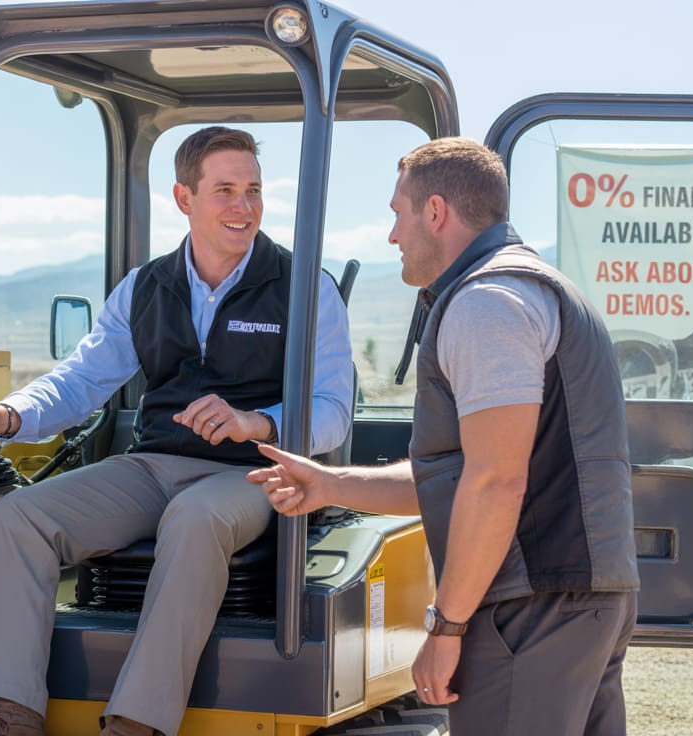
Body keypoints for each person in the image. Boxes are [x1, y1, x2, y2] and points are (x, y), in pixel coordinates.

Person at [0, 126, 354, 736]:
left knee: (195, 517)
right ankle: (14, 717)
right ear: (184, 198)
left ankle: (134, 726)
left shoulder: (305, 288)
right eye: (226, 191)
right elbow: (81, 380)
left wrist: (257, 423)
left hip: (257, 473)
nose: (244, 207)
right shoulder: (145, 287)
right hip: (156, 466)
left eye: (254, 191)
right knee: (20, 516)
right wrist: (8, 417)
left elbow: (333, 408)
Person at [248, 137, 639, 735]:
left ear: (436, 211)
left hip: (526, 608)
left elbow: (497, 481)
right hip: (580, 599)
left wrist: (446, 626)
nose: (392, 235)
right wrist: (329, 483)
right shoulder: (536, 289)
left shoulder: (487, 305)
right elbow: (465, 474)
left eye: (397, 213)